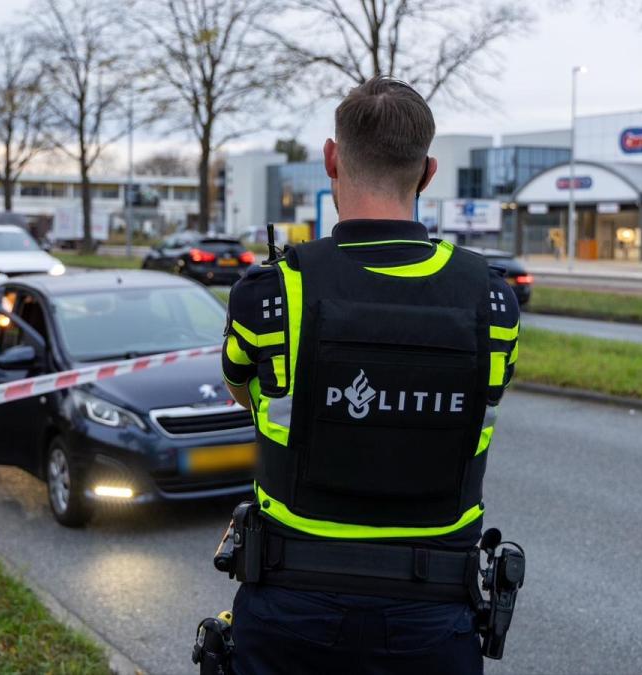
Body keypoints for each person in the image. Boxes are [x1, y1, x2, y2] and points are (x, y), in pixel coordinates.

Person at [216, 77, 521, 674]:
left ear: (332, 158)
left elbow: (242, 391)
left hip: (290, 611)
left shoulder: (272, 293)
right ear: (428, 173)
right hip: (432, 617)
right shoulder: (493, 301)